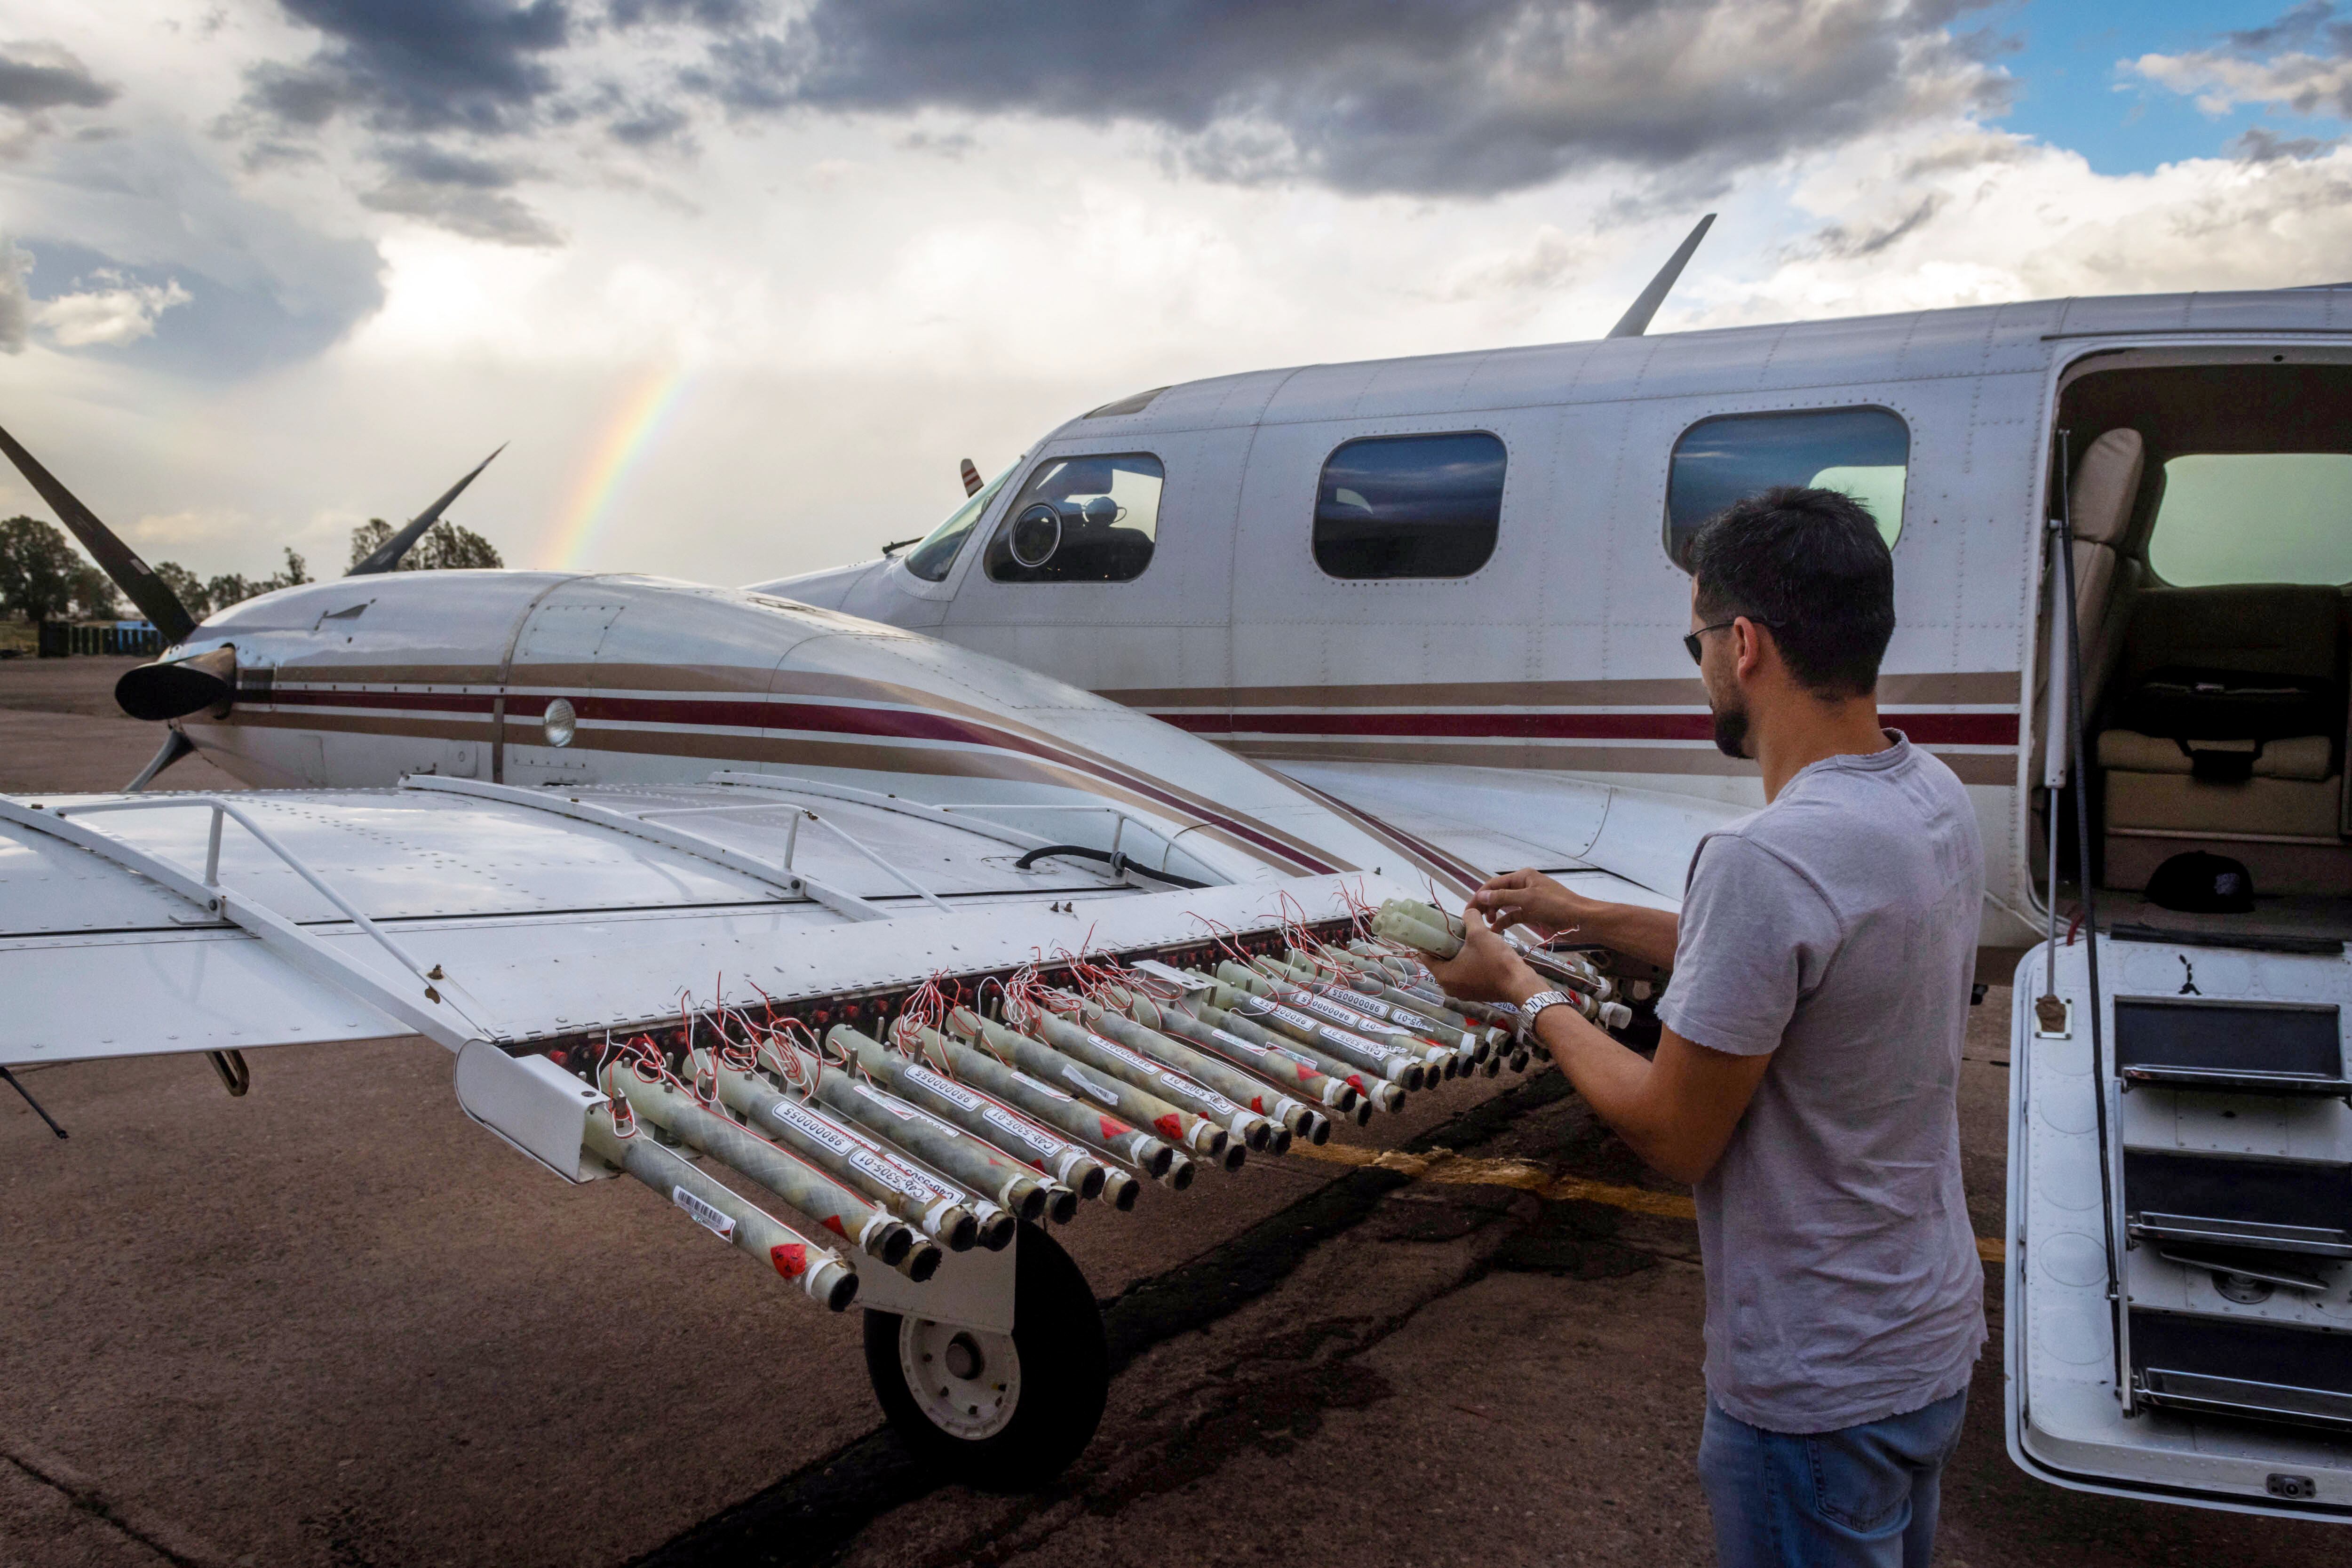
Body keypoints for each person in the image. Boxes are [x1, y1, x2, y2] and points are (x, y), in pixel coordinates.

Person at [1426, 486, 1985, 1568]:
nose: (1700, 669)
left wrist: (1519, 990)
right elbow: (1808, 959)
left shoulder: (1764, 860)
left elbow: (1671, 1132)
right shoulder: (1928, 794)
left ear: (1745, 643)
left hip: (1814, 1387)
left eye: (1697, 642)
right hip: (1923, 1338)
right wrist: (1584, 915)